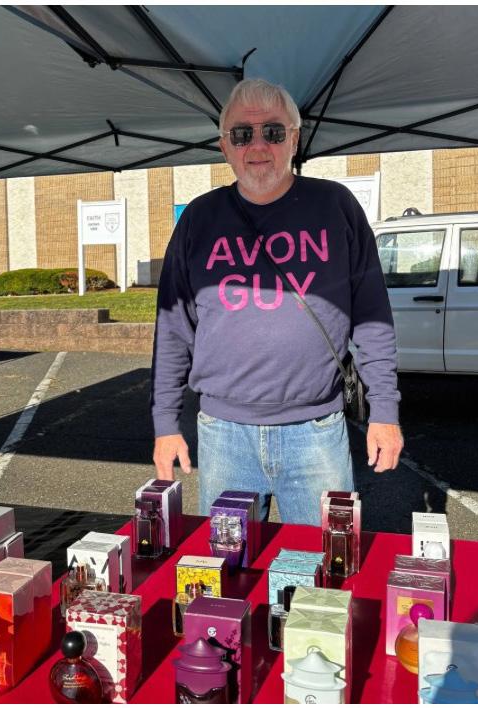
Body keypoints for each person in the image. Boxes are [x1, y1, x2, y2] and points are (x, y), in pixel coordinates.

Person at [151, 78, 403, 525]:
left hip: (317, 432)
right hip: (224, 435)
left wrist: (385, 411)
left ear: (294, 139)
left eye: (273, 131)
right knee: (228, 563)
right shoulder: (199, 218)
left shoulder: (336, 206)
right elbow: (173, 330)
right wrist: (165, 424)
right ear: (224, 146)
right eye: (242, 134)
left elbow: (372, 317)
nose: (258, 145)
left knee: (324, 562)